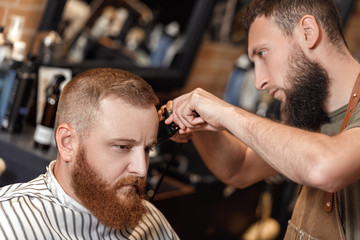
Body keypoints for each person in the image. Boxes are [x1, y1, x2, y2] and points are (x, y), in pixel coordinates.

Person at [163, 0, 360, 239]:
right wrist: (198, 123)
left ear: (308, 32)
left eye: (262, 53)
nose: (259, 83)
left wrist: (225, 112)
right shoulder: (314, 116)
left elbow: (324, 167)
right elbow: (239, 169)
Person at [0, 68, 180, 239]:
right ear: (67, 143)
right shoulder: (8, 225)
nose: (141, 170)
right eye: (123, 147)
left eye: (147, 149)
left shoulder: (151, 223)